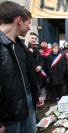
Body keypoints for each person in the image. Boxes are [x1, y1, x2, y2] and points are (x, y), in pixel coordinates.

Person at [0, 1, 44, 133]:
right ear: (19, 20)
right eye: (29, 22)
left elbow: (30, 75)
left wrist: (36, 96)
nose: (30, 28)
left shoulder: (21, 46)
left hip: (28, 103)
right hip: (9, 116)